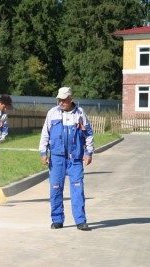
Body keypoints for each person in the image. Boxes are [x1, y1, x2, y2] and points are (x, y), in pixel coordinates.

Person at [39, 87, 94, 231]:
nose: (61, 102)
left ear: (71, 99)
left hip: (75, 159)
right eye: (59, 99)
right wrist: (43, 152)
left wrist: (89, 152)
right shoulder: (52, 113)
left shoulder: (80, 114)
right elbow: (45, 133)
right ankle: (57, 219)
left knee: (77, 189)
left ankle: (80, 221)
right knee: (56, 189)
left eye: (64, 100)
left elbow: (88, 133)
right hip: (57, 158)